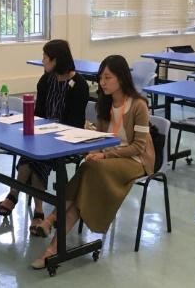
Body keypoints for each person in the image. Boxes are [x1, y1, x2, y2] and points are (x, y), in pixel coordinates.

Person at [31, 55, 155, 269]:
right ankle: (52, 249)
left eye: (108, 77)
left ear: (122, 78)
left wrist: (104, 155)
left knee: (90, 167)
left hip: (134, 160)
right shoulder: (105, 103)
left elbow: (139, 147)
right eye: (100, 78)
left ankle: (51, 221)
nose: (102, 82)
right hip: (106, 160)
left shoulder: (139, 105)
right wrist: (93, 150)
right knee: (87, 175)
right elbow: (101, 137)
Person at [0, 39, 89, 236]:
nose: (43, 60)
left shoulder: (78, 85)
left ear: (56, 60)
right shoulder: (46, 80)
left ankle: (14, 195)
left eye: (46, 57)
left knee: (34, 159)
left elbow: (75, 123)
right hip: (44, 133)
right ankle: (37, 210)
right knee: (32, 155)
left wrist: (51, 132)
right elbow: (38, 114)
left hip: (66, 139)